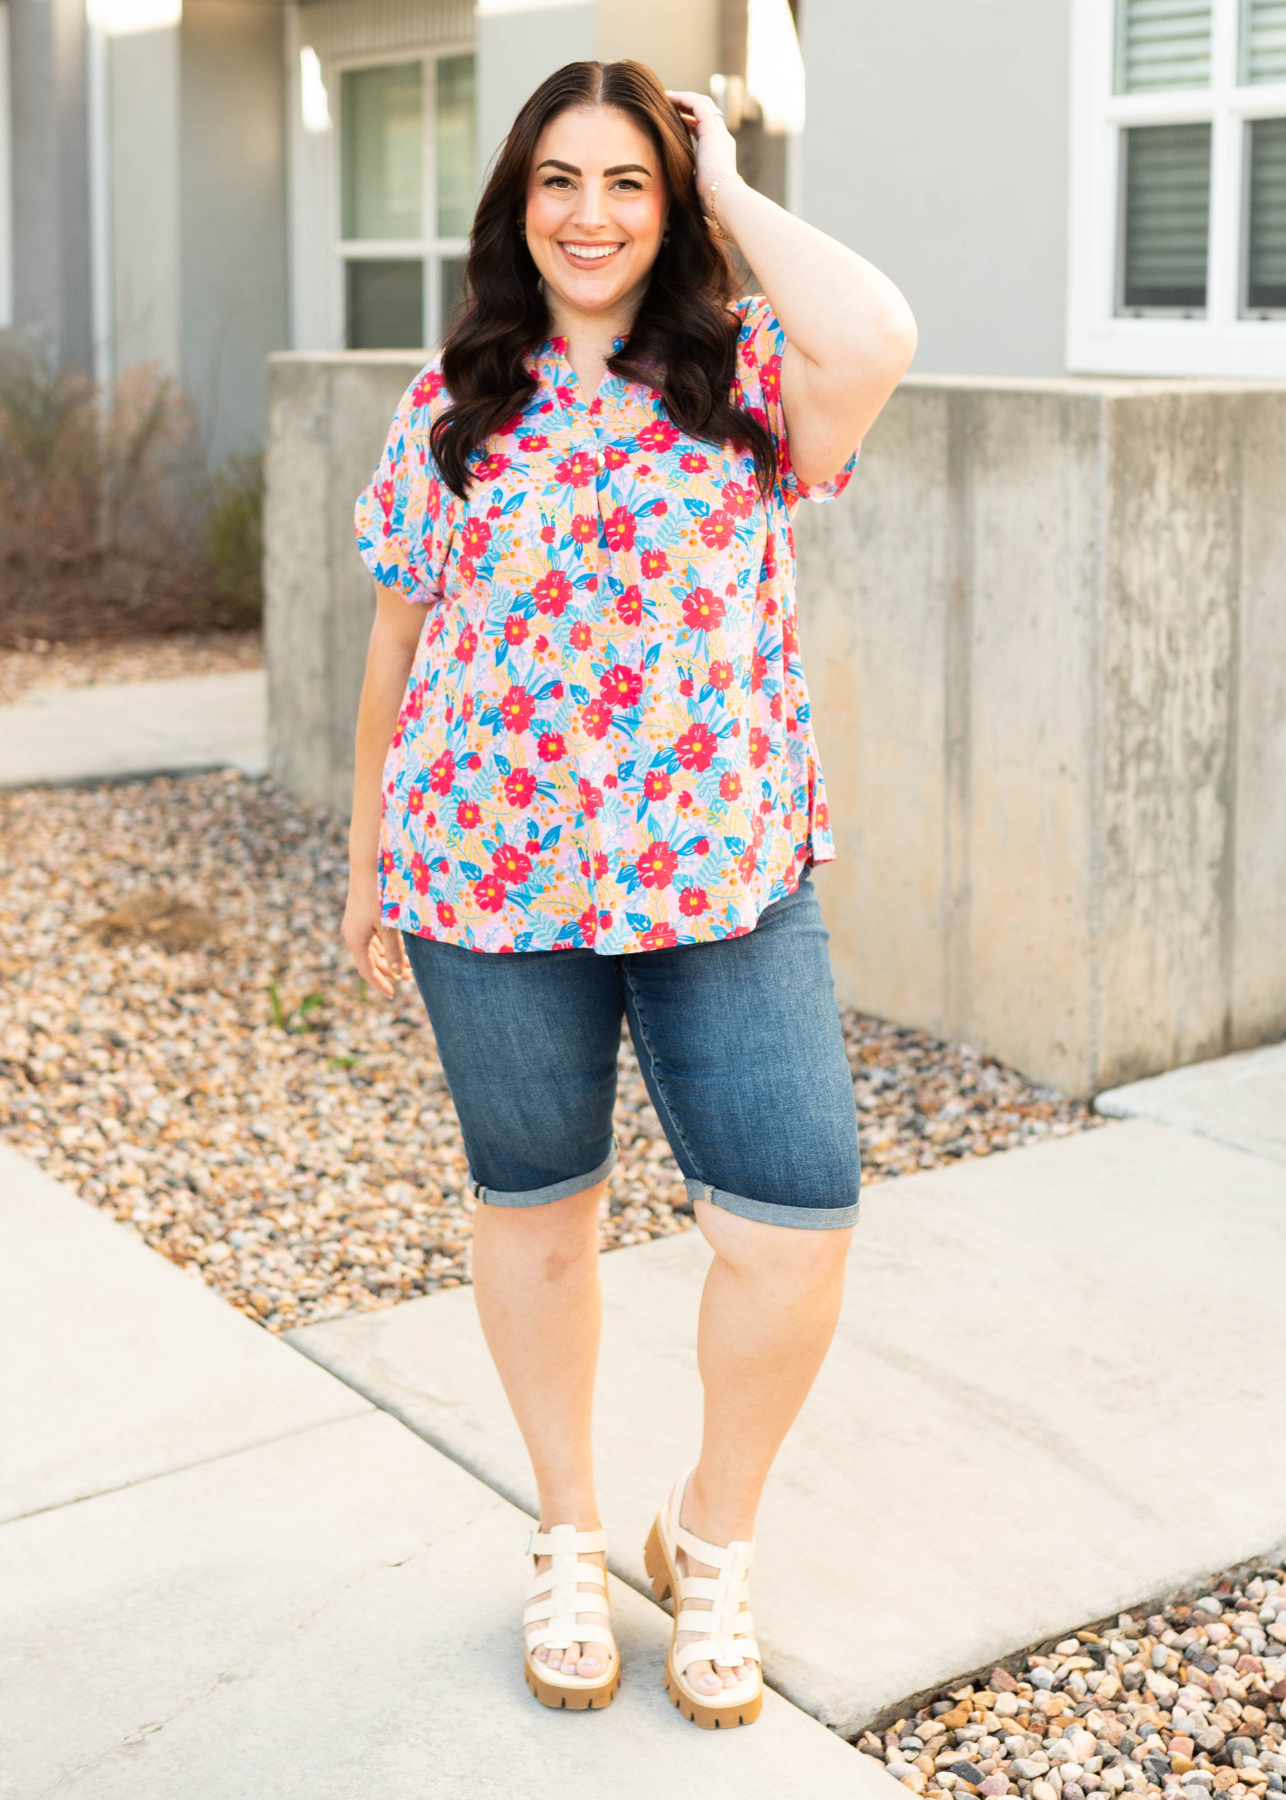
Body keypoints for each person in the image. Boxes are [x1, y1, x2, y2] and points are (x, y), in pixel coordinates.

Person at [345, 58, 915, 1730]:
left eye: (625, 185)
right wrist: (367, 857)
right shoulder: (450, 402)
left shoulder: (749, 376)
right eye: (557, 184)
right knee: (538, 1208)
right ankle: (571, 1536)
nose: (589, 216)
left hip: (725, 877)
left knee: (794, 1221)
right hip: (484, 879)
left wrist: (725, 179)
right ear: (515, 209)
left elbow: (875, 332)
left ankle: (707, 1540)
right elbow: (395, 646)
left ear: (664, 213)